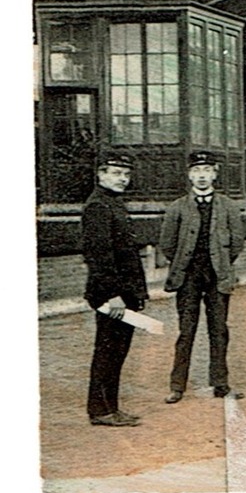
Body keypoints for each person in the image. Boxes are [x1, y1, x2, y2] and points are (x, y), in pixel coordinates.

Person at [158, 150, 246, 402]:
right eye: (196, 171)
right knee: (186, 331)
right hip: (187, 278)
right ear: (189, 175)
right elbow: (167, 244)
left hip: (218, 276)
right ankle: (177, 386)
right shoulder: (177, 207)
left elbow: (237, 242)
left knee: (219, 330)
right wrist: (184, 264)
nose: (201, 176)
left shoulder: (228, 207)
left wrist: (221, 263)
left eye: (207, 170)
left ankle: (220, 383)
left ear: (215, 174)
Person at [81, 153, 148, 426]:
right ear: (101, 174)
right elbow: (99, 256)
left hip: (124, 293)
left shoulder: (112, 204)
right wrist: (113, 295)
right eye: (117, 173)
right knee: (108, 350)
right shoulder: (98, 206)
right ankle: (101, 410)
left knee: (117, 350)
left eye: (126, 174)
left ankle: (109, 407)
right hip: (111, 295)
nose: (123, 179)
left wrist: (137, 294)